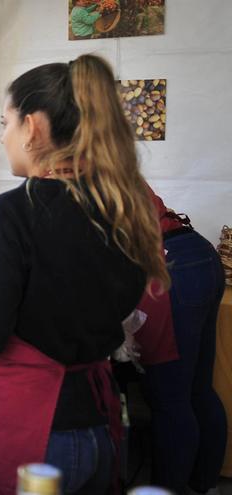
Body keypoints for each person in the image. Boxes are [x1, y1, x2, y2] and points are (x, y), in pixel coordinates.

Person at [0, 55, 169, 493]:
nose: (2, 138)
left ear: (32, 126)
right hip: (98, 426)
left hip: (36, 435)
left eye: (5, 123)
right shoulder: (118, 206)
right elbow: (73, 281)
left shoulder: (16, 211)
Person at [138, 192, 227, 493]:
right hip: (198, 252)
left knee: (169, 398)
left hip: (173, 265)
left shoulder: (78, 174)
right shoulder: (109, 163)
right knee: (198, 389)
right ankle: (203, 484)